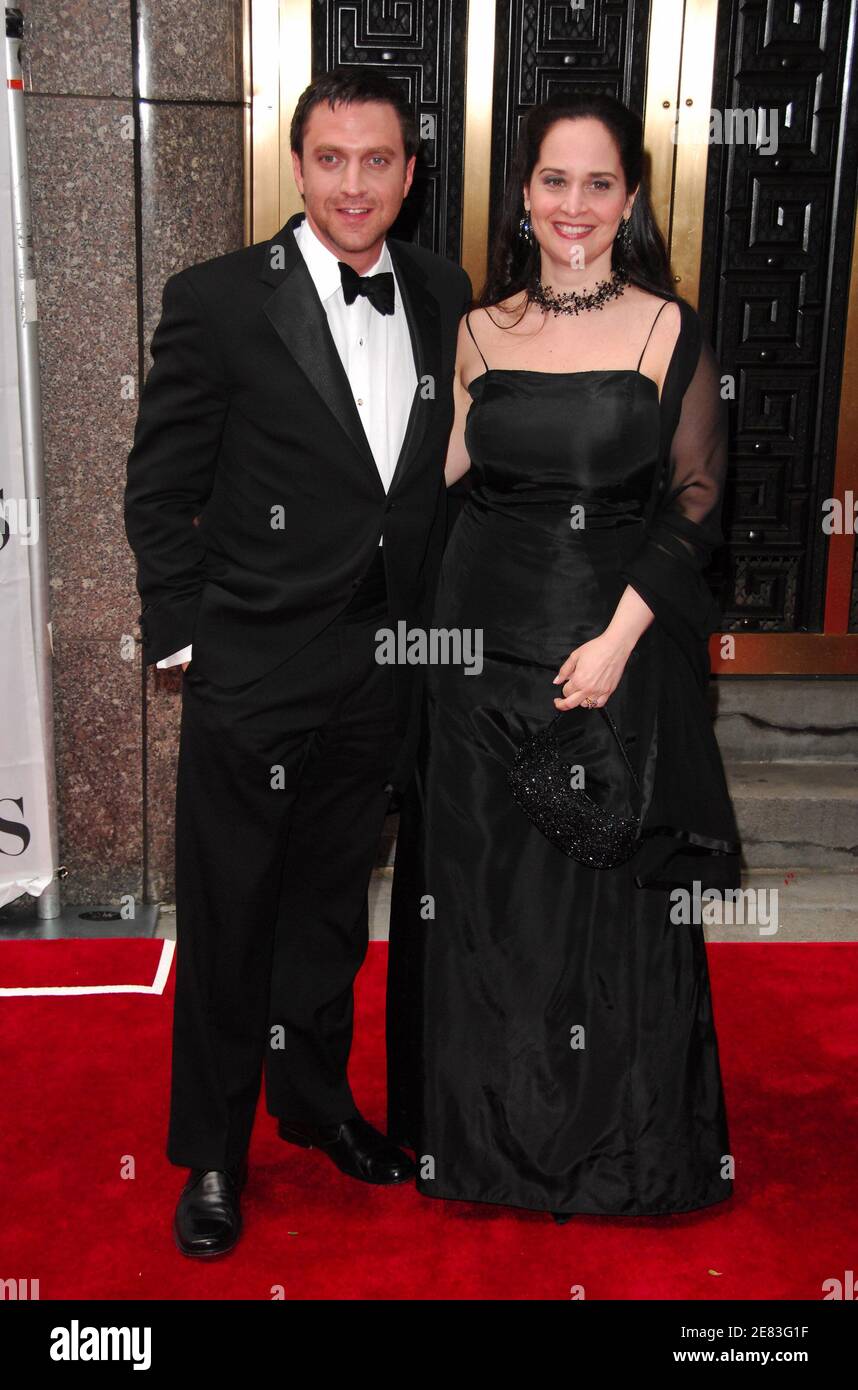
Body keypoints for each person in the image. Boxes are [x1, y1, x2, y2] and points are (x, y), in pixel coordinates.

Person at [124, 67, 471, 1257]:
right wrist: (187, 642)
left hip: (381, 673)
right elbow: (159, 487)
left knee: (331, 914)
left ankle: (316, 1104)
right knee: (230, 918)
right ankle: (213, 1153)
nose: (355, 184)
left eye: (378, 161)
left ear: (409, 174)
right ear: (299, 165)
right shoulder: (219, 300)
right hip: (255, 670)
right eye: (332, 159)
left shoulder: (441, 289)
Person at [386, 93, 742, 1221]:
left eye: (598, 183)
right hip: (475, 658)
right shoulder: (480, 329)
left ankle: (615, 1152)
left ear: (630, 199)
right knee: (483, 903)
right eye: (553, 180)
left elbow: (695, 503)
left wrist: (619, 639)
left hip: (607, 656)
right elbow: (430, 480)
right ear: (524, 194)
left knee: (600, 906)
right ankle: (485, 1142)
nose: (573, 205)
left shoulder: (665, 328)